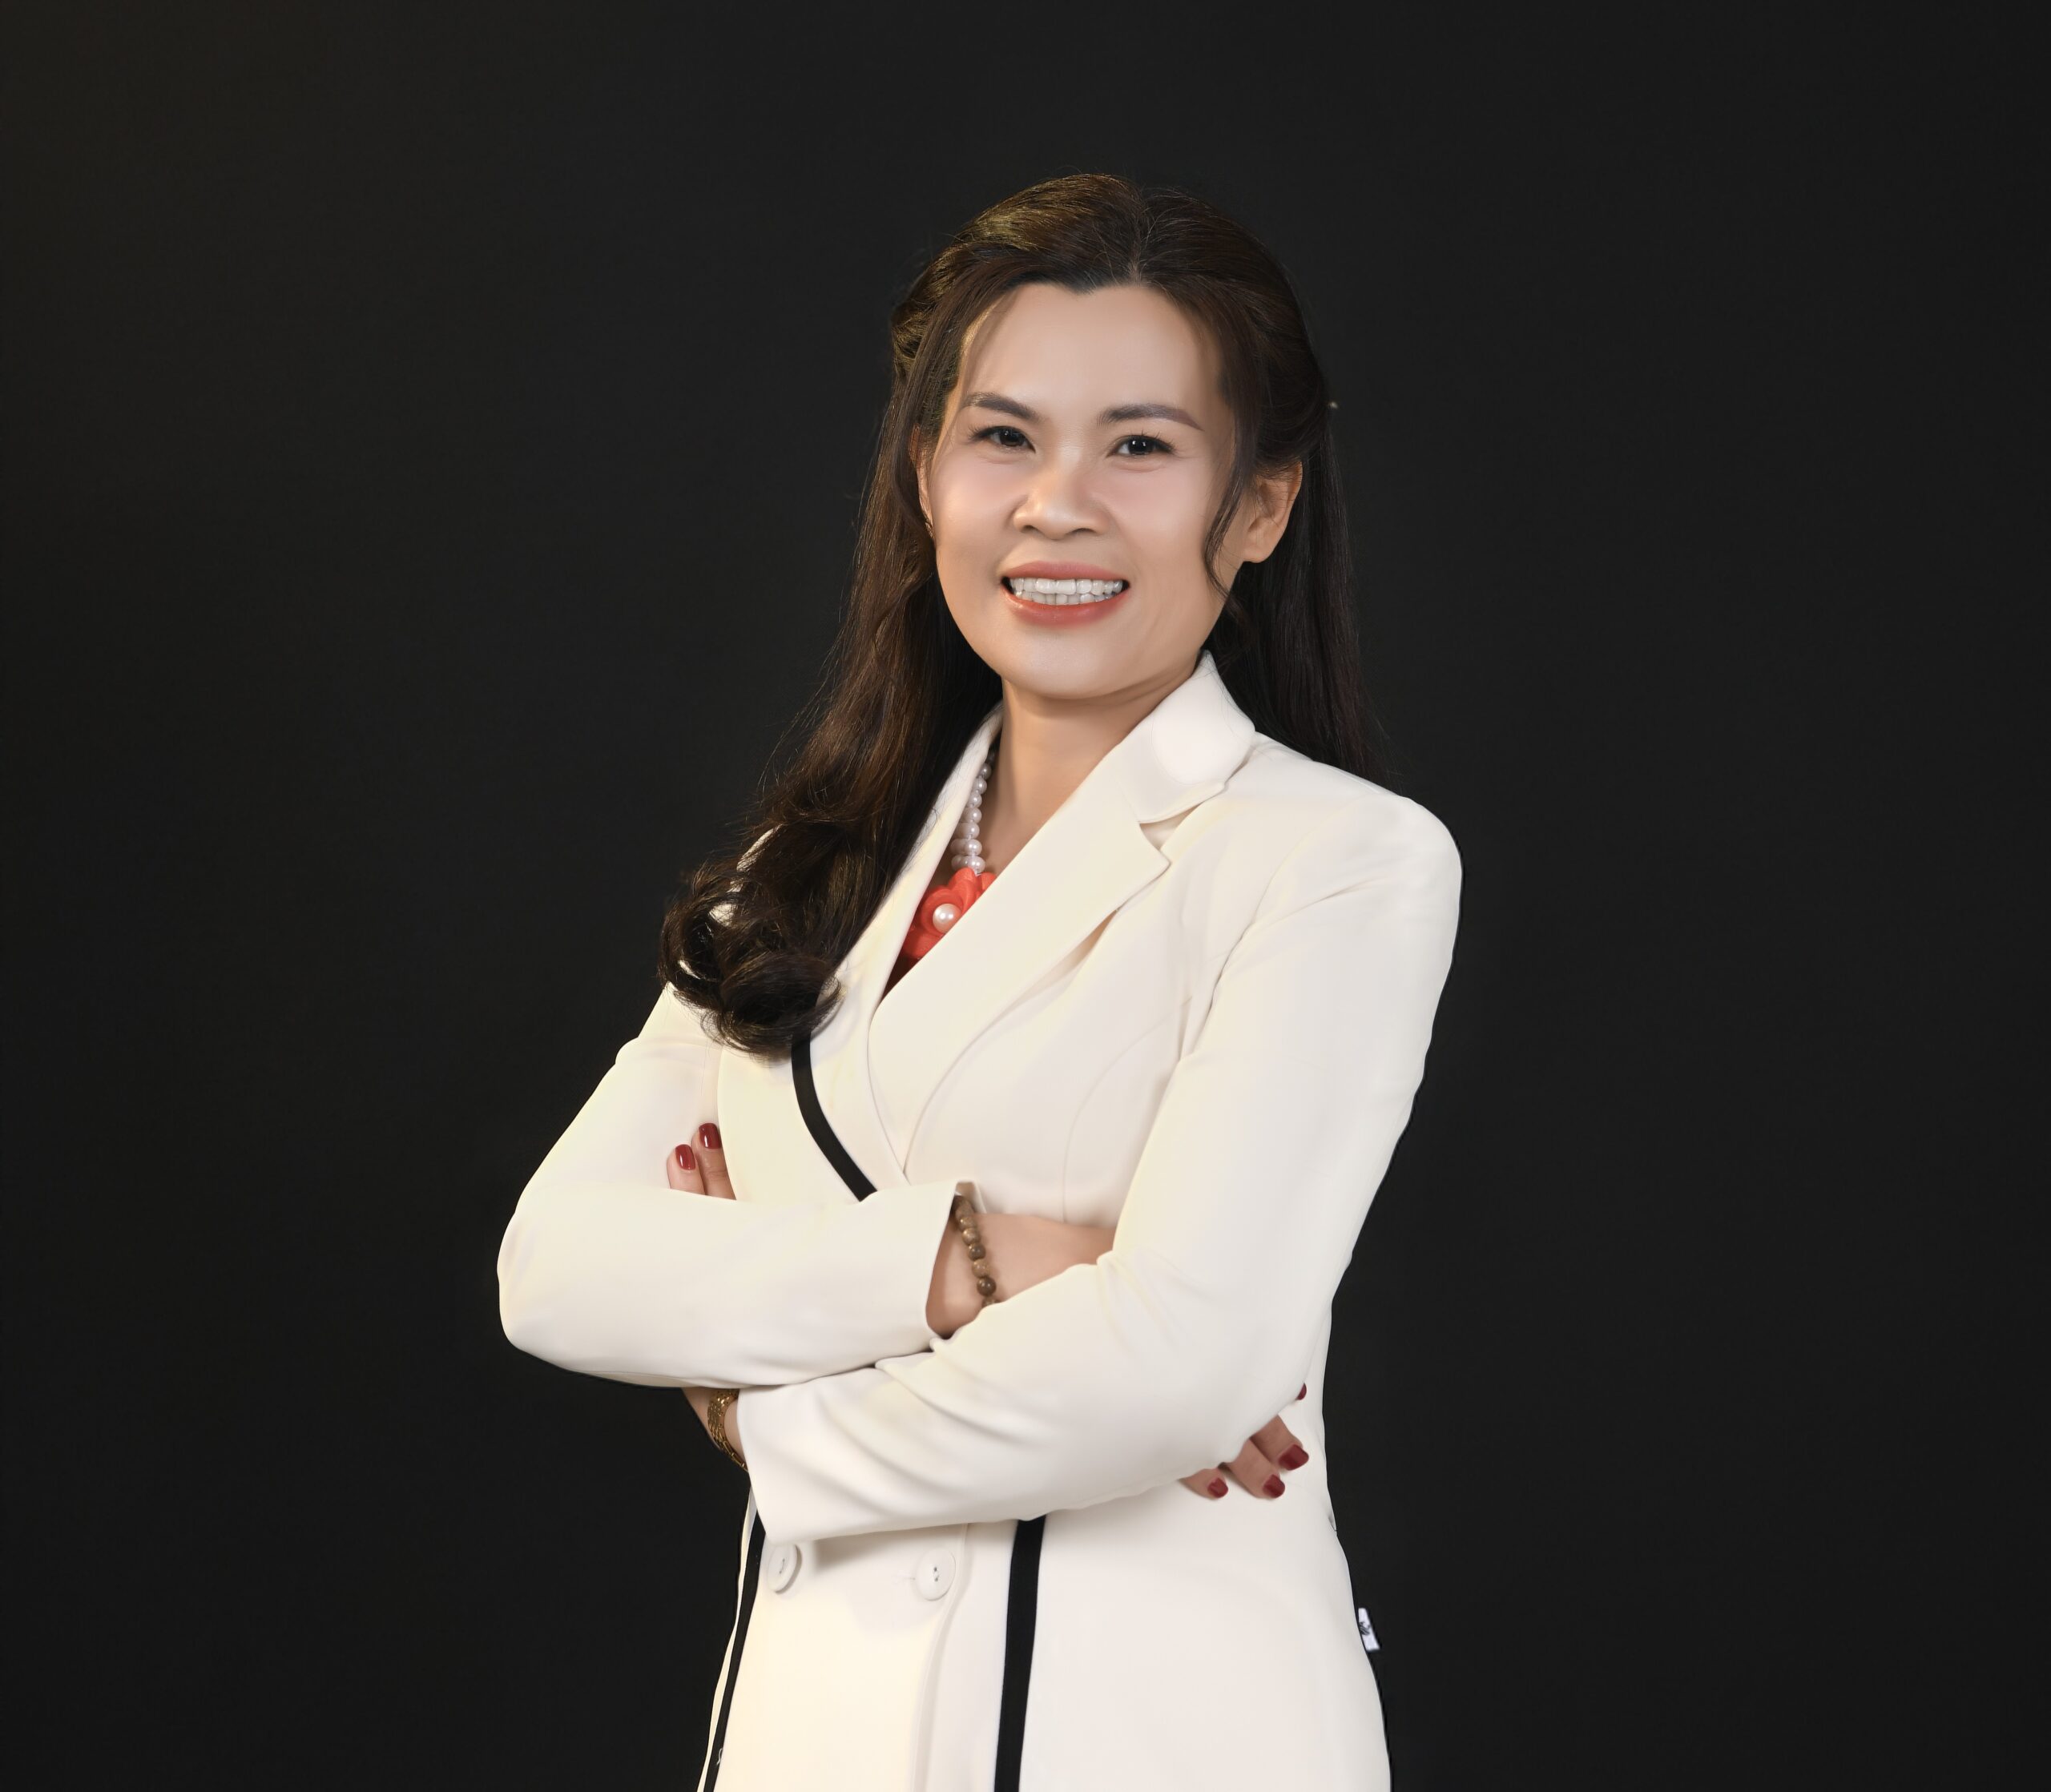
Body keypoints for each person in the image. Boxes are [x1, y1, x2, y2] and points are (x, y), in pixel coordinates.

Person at [497, 171, 1464, 1791]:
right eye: (1002, 437)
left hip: (1143, 1734)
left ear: (1260, 504)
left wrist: (755, 1400)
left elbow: (1175, 1373)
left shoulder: (1335, 861)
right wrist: (980, 1260)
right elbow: (556, 1267)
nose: (1055, 505)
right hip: (810, 1730)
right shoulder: (801, 874)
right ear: (925, 476)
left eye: (1139, 447)